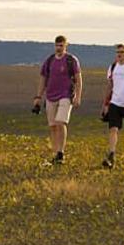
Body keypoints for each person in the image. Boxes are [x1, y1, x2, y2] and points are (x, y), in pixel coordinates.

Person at [33, 35, 81, 165]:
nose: (59, 48)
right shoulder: (49, 61)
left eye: (61, 45)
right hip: (50, 96)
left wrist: (78, 95)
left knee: (61, 122)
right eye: (57, 45)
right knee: (53, 126)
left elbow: (78, 78)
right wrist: (38, 97)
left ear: (66, 46)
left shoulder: (71, 60)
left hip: (65, 95)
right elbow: (43, 79)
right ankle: (55, 154)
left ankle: (61, 152)